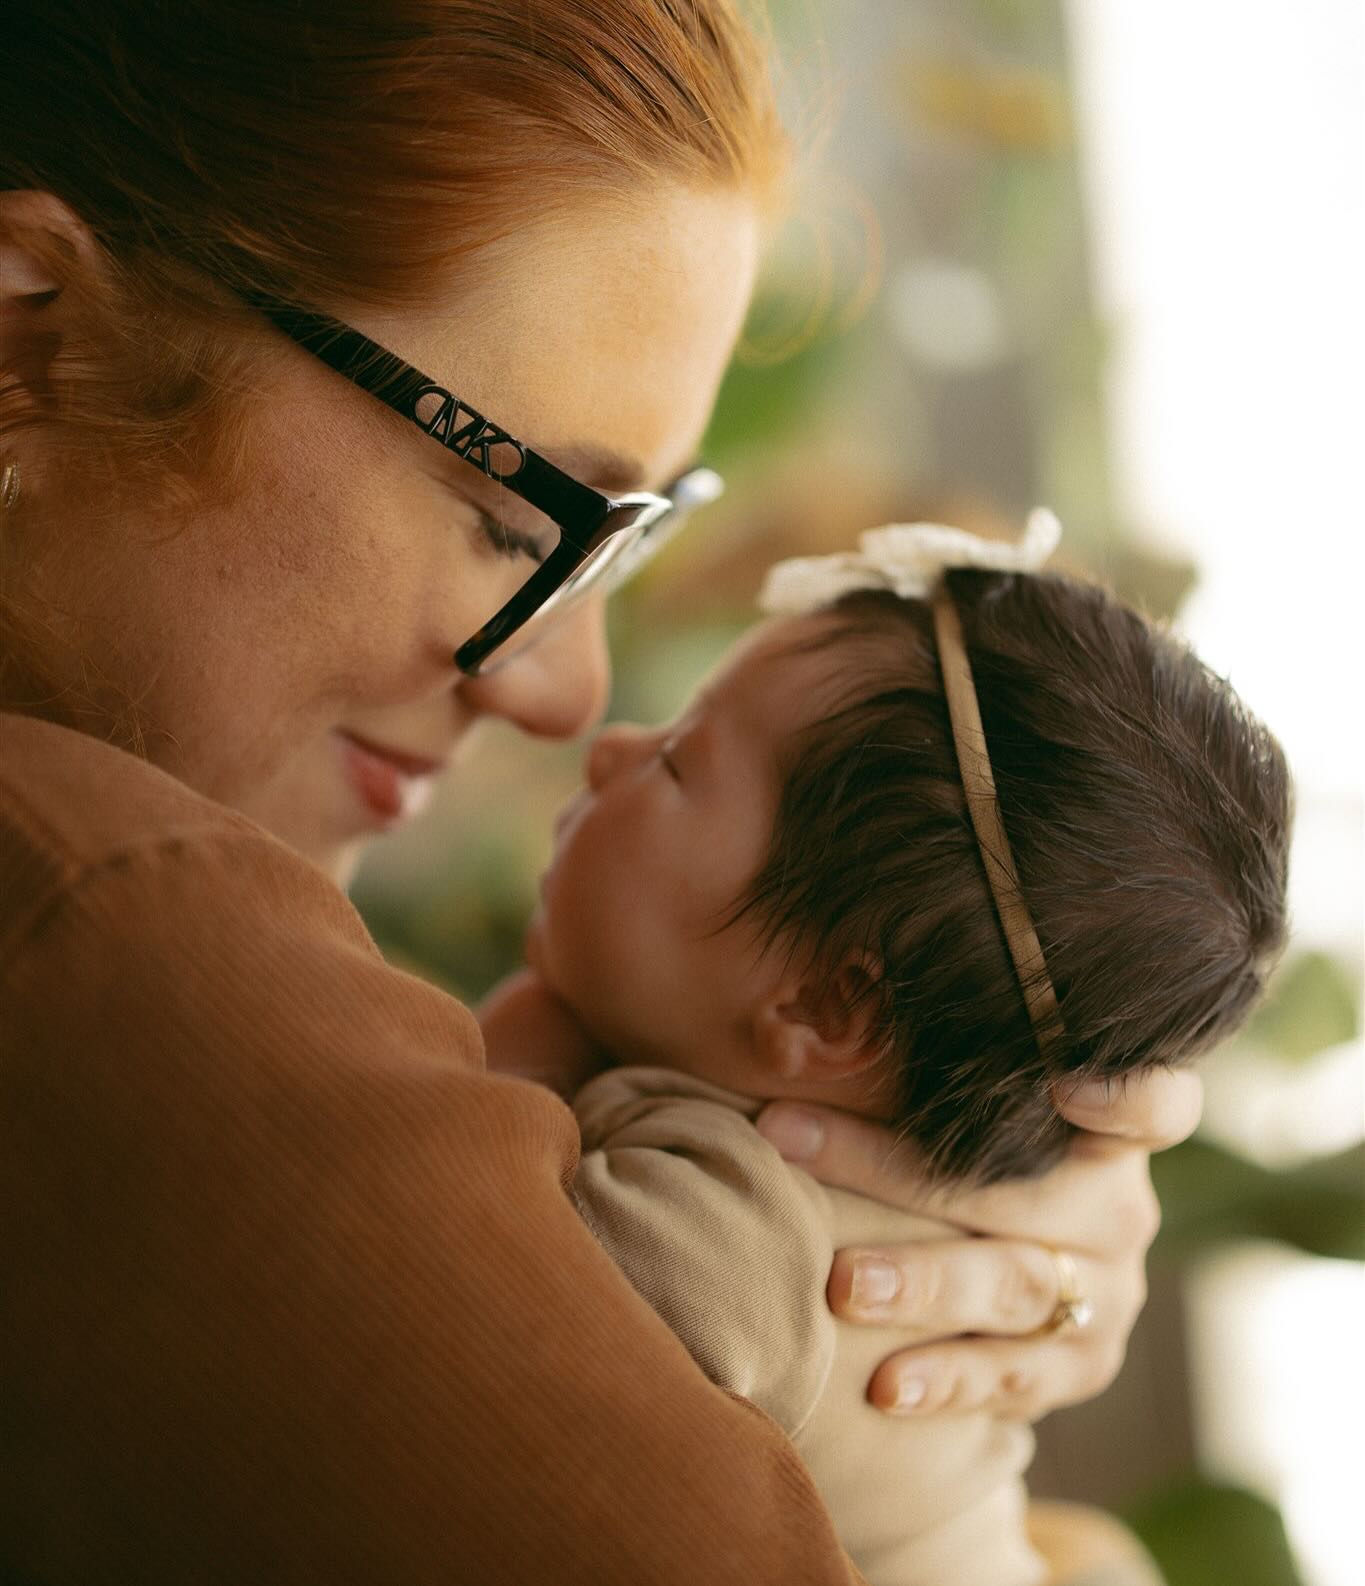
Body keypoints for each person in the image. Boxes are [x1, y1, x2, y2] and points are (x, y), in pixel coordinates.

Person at [0, 5, 1202, 1581]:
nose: (569, 692)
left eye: (630, 535)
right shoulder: (124, 927)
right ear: (39, 333)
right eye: (519, 522)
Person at [481, 516, 1290, 1585]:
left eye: (679, 761)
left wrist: (515, 1045)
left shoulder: (745, 1236)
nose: (613, 744)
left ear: (826, 1005)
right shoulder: (792, 1148)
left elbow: (452, 1264)